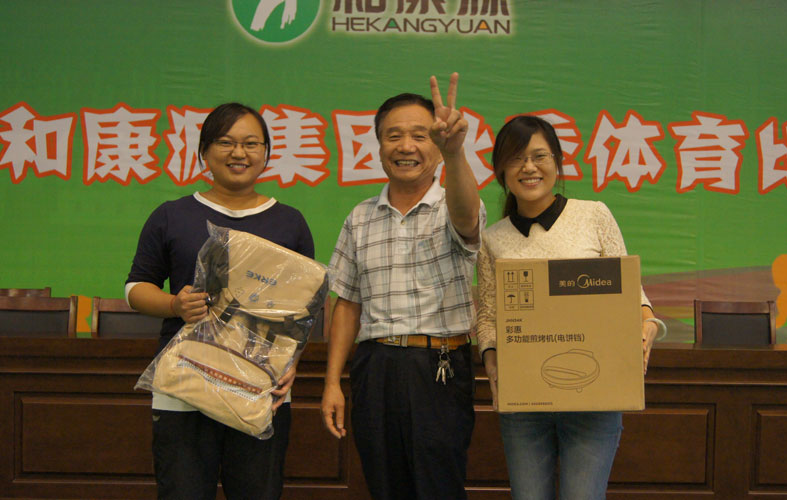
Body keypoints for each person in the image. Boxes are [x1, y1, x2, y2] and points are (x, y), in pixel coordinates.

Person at [126, 102, 314, 500]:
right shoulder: (171, 215)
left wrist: (292, 363)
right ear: (204, 152)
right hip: (184, 385)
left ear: (266, 152)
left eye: (251, 143)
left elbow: (303, 309)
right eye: (226, 142)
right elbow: (136, 289)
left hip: (261, 387)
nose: (239, 153)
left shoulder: (290, 222)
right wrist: (175, 306)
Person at [475, 115, 664, 500]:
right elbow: (490, 316)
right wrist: (491, 359)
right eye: (516, 159)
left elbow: (629, 290)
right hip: (524, 399)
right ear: (501, 171)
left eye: (539, 156)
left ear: (557, 162)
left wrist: (648, 324)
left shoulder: (593, 215)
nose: (529, 167)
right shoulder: (492, 239)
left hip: (595, 396)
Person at [320, 73, 485, 500]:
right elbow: (346, 303)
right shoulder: (360, 217)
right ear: (379, 148)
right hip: (374, 367)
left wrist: (456, 153)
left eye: (419, 135)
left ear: (437, 145)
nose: (405, 146)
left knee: (438, 488)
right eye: (393, 136)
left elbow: (468, 219)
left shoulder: (453, 204)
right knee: (384, 485)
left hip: (439, 367)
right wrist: (333, 382)